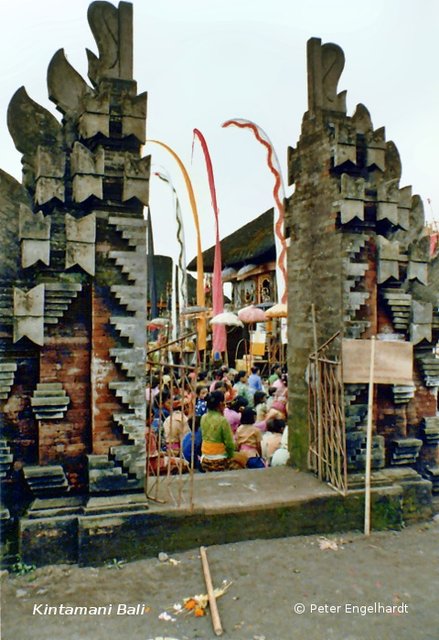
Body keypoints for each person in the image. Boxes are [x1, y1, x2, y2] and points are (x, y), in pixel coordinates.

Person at [200, 391, 246, 472]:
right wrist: (231, 455)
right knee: (243, 459)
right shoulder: (222, 420)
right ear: (221, 404)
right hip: (219, 459)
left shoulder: (203, 417)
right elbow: (229, 444)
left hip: (205, 458)